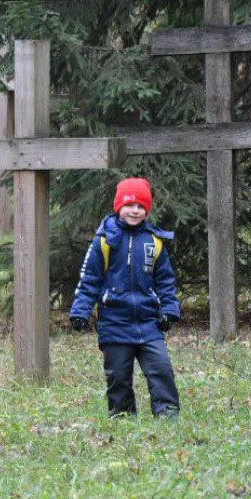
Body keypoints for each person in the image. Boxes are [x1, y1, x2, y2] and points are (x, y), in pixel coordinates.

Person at [69, 177, 181, 418]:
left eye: (141, 206)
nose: (135, 211)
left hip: (148, 322)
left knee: (161, 369)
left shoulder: (154, 242)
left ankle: (168, 415)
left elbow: (165, 281)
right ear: (119, 206)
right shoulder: (104, 241)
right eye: (130, 205)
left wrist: (169, 311)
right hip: (114, 322)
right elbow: (89, 279)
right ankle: (123, 418)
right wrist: (80, 311)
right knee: (118, 376)